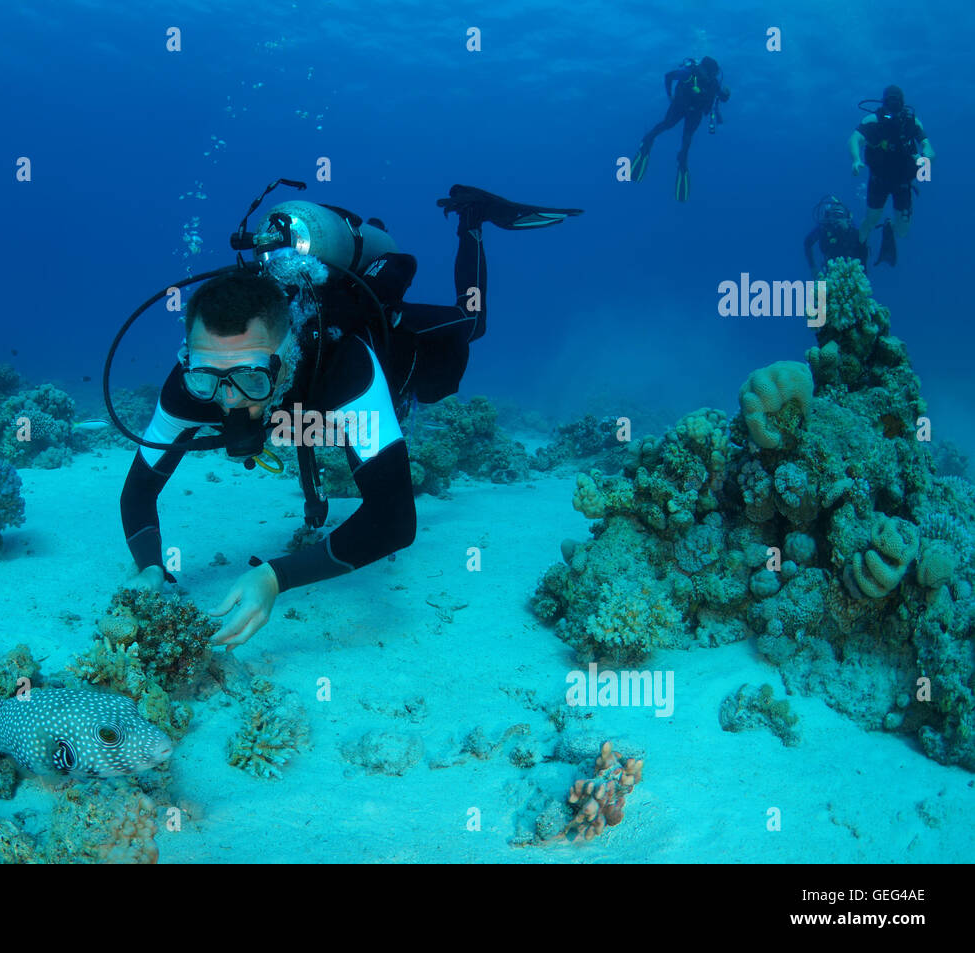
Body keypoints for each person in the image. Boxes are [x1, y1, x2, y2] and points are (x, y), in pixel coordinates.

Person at [118, 186, 581, 647]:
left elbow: (395, 520)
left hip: (394, 353)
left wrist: (275, 578)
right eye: (207, 379)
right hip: (302, 398)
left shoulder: (344, 368)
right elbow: (138, 491)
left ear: (288, 354)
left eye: (252, 379)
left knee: (471, 325)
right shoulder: (192, 380)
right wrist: (150, 568)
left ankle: (473, 221)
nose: (228, 400)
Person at [849, 85, 934, 267]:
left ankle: (889, 228)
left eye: (897, 102)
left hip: (903, 183)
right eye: (890, 102)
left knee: (902, 231)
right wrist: (856, 159)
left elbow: (929, 148)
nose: (893, 106)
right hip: (878, 182)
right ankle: (859, 250)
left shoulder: (912, 122)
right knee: (870, 220)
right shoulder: (873, 120)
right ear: (883, 103)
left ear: (903, 104)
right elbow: (855, 139)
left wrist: (925, 159)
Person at [629, 56, 731, 201]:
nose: (713, 76)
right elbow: (668, 76)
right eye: (713, 73)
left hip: (695, 113)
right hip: (680, 106)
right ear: (709, 70)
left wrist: (727, 94)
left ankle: (682, 163)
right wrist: (670, 96)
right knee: (668, 126)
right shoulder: (689, 73)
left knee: (685, 139)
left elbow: (722, 97)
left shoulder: (713, 83)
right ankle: (648, 142)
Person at [804, 195, 870, 276]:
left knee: (858, 287)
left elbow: (863, 251)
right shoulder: (824, 229)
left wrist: (863, 273)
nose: (836, 219)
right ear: (828, 216)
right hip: (828, 270)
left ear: (847, 219)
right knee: (820, 288)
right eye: (833, 215)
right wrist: (813, 268)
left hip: (853, 272)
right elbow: (807, 242)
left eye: (839, 215)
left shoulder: (854, 232)